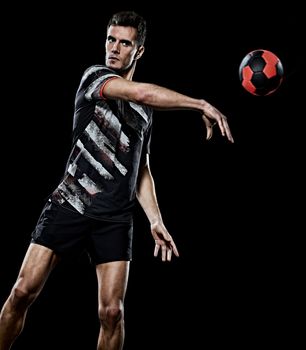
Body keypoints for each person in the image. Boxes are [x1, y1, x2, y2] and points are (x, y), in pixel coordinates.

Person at [0, 10, 234, 350]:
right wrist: (200, 104)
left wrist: (155, 219)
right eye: (111, 39)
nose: (114, 48)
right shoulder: (95, 78)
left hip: (114, 218)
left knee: (112, 313)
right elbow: (140, 93)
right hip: (70, 204)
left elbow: (140, 170)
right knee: (22, 291)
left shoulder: (144, 114)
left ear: (138, 51)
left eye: (125, 43)